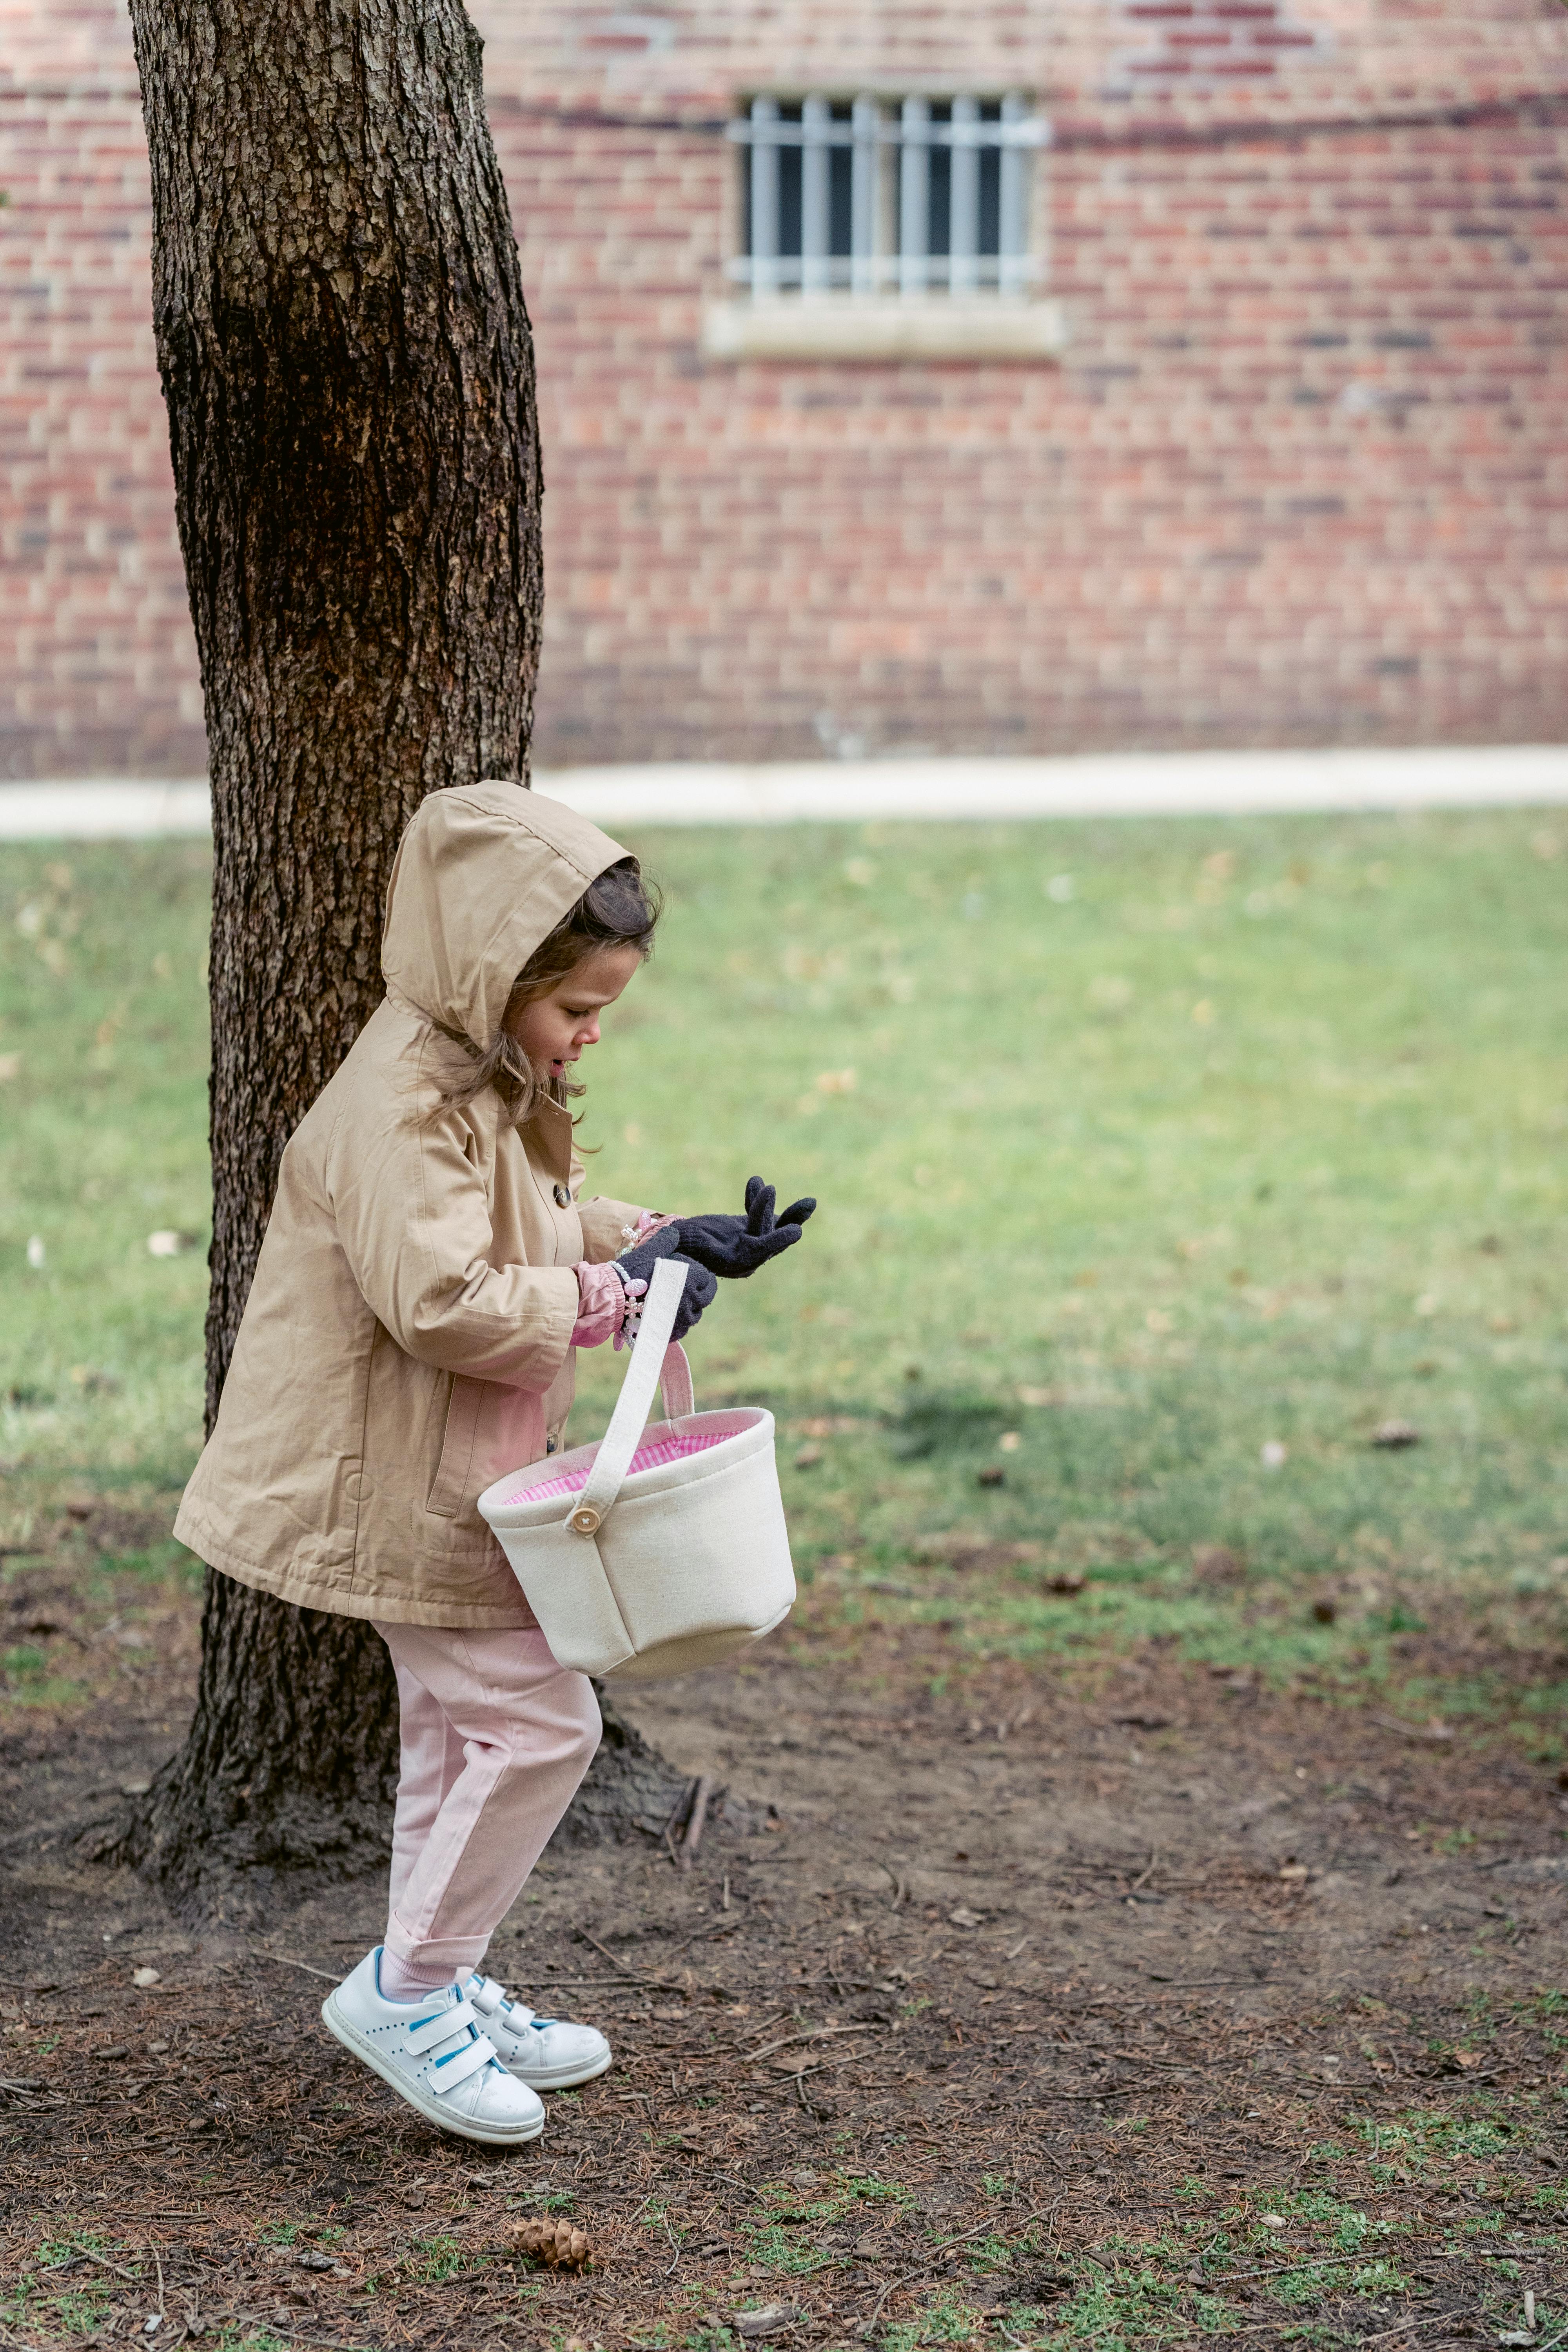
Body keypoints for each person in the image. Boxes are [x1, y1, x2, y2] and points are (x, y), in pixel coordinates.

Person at [173, 781, 813, 2145]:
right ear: (496, 970)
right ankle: (406, 1995)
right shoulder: (405, 1103)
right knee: (541, 1725)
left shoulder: (476, 1069)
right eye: (578, 1009)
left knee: (454, 1734)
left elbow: (537, 1218)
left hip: (440, 1467)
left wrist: (668, 1239)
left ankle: (437, 1980)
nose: (590, 1037)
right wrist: (618, 1299)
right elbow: (447, 1301)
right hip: (387, 1478)